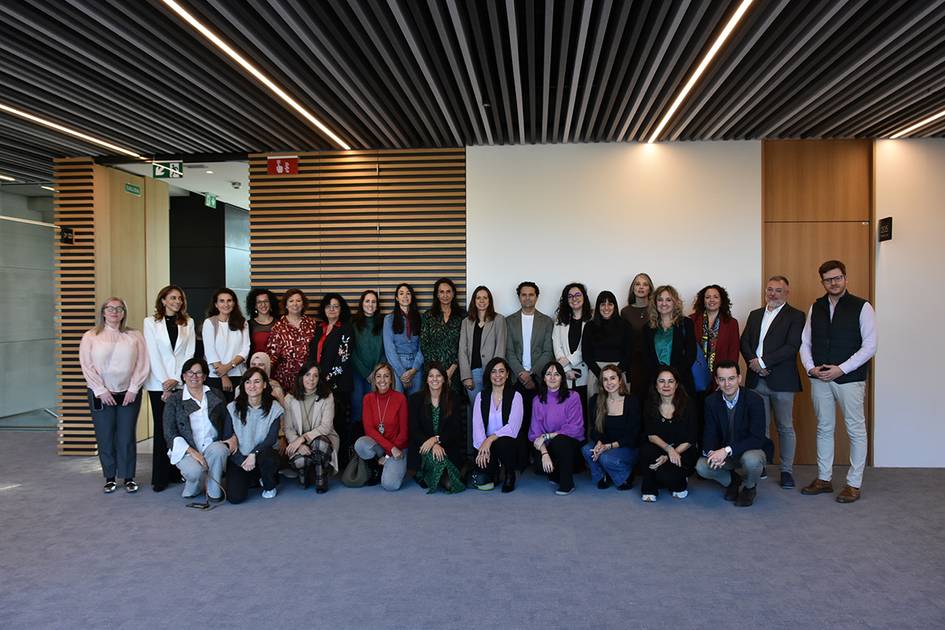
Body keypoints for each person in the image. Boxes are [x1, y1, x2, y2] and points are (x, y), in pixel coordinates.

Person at [800, 260, 877, 503]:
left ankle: (854, 484)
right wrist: (810, 368)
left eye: (838, 278)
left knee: (855, 430)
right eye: (828, 279)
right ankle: (824, 478)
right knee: (824, 428)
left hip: (850, 380)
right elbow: (806, 343)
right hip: (820, 378)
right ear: (822, 281)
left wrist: (841, 369)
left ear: (845, 278)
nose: (833, 283)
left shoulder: (862, 307)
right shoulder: (817, 307)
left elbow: (870, 347)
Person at [740, 275, 805, 489]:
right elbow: (745, 342)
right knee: (761, 426)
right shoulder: (755, 314)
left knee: (785, 427)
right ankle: (763, 464)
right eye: (770, 289)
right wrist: (754, 363)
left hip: (782, 380)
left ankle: (786, 471)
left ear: (786, 293)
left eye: (778, 290)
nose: (773, 294)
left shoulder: (796, 316)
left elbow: (791, 346)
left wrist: (764, 362)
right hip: (755, 378)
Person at [79, 297, 150, 494]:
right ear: (103, 312)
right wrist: (100, 390)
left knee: (126, 436)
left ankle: (128, 477)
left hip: (128, 394)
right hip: (101, 395)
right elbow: (87, 366)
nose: (114, 312)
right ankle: (110, 477)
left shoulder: (134, 335)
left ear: (124, 313)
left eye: (119, 308)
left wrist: (133, 388)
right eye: (110, 308)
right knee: (105, 436)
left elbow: (142, 363)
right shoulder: (91, 336)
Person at [696, 361, 773, 507]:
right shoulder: (711, 401)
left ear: (739, 378)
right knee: (702, 466)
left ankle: (750, 488)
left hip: (750, 450)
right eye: (722, 379)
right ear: (717, 381)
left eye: (731, 378)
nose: (727, 384)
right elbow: (709, 433)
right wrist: (712, 452)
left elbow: (757, 438)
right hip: (725, 454)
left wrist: (726, 450)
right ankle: (733, 481)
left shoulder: (754, 400)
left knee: (752, 461)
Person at [142, 285, 196, 492]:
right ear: (163, 300)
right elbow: (152, 353)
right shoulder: (150, 322)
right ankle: (160, 476)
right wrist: (165, 381)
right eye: (172, 298)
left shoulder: (188, 322)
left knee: (180, 428)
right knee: (162, 429)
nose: (177, 301)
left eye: (180, 298)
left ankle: (178, 471)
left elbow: (189, 353)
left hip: (181, 382)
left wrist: (176, 380)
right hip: (158, 384)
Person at [162, 358, 229, 502]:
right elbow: (169, 432)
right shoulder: (175, 399)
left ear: (205, 377)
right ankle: (195, 485)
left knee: (220, 450)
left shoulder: (215, 394)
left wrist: (230, 439)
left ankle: (214, 490)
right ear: (184, 376)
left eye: (199, 373)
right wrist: (194, 453)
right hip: (187, 449)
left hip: (211, 445)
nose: (194, 376)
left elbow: (226, 420)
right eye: (190, 373)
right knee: (195, 471)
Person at [505, 282, 554, 469]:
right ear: (519, 297)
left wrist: (532, 374)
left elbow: (547, 352)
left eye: (531, 294)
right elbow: (509, 351)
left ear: (536, 296)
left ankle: (539, 460)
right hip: (516, 379)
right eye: (524, 294)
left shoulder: (547, 321)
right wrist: (521, 374)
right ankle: (520, 460)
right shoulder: (509, 321)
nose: (527, 298)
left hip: (538, 379)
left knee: (538, 421)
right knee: (518, 420)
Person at [222, 367, 283, 503]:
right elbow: (228, 437)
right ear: (243, 385)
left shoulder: (274, 407)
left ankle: (269, 485)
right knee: (235, 498)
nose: (252, 386)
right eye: (248, 382)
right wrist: (241, 461)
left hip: (262, 454)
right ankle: (254, 478)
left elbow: (271, 439)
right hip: (240, 457)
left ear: (265, 384)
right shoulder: (232, 407)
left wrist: (253, 453)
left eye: (257, 382)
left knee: (268, 458)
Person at [638, 367, 698, 502]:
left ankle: (678, 480)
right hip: (660, 447)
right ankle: (649, 488)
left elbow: (691, 437)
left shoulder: (688, 404)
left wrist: (672, 453)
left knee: (671, 480)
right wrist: (668, 450)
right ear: (656, 385)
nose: (666, 385)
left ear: (676, 385)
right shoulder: (649, 404)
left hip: (683, 450)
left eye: (670, 381)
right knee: (645, 450)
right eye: (662, 381)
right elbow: (651, 434)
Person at [582, 365, 641, 491]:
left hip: (627, 447)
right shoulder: (595, 401)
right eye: (605, 379)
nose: (609, 383)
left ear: (620, 381)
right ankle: (603, 476)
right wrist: (599, 442)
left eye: (612, 378)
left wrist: (608, 446)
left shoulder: (632, 401)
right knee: (587, 450)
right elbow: (594, 430)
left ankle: (626, 476)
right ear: (601, 383)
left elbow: (633, 435)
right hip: (605, 444)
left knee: (606, 458)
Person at [283, 361, 339, 493]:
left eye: (315, 376)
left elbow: (326, 427)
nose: (311, 379)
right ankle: (306, 472)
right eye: (308, 375)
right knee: (300, 462)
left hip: (323, 439)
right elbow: (289, 429)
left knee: (319, 444)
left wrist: (303, 438)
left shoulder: (327, 396)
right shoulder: (289, 398)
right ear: (301, 377)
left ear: (319, 379)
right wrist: (299, 444)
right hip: (298, 441)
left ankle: (321, 477)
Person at [529, 361, 584, 495]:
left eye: (557, 374)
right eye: (548, 374)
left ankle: (567, 484)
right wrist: (544, 453)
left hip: (570, 445)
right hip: (548, 446)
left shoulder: (573, 397)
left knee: (560, 441)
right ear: (544, 378)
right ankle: (554, 472)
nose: (552, 377)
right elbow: (535, 432)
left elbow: (575, 427)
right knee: (539, 465)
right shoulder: (537, 400)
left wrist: (549, 436)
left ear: (562, 378)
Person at [409, 363, 465, 494]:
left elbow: (457, 430)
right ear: (426, 379)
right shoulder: (416, 399)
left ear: (444, 378)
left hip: (447, 447)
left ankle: (437, 476)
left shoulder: (454, 398)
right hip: (423, 447)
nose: (435, 379)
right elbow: (414, 429)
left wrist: (436, 440)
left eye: (439, 376)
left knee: (451, 483)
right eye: (431, 376)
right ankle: (427, 474)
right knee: (448, 481)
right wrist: (431, 444)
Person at [472, 357, 523, 492]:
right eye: (493, 372)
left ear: (507, 375)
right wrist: (482, 447)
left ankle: (509, 473)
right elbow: (477, 426)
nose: (497, 375)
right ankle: (494, 472)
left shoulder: (515, 396)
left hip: (508, 443)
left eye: (501, 371)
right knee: (484, 478)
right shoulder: (481, 396)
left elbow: (513, 427)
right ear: (489, 375)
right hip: (486, 445)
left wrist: (490, 439)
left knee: (503, 443)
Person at [355, 362, 409, 491]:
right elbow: (369, 429)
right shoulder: (368, 398)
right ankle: (376, 467)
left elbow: (404, 433)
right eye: (378, 376)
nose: (382, 380)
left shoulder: (400, 398)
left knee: (390, 485)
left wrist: (389, 455)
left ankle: (386, 465)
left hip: (398, 448)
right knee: (361, 444)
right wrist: (388, 450)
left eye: (386, 376)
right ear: (374, 379)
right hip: (381, 447)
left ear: (391, 379)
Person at [308, 293, 354, 433]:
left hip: (338, 385)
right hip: (318, 383)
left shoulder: (346, 329)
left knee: (337, 424)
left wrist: (325, 379)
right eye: (328, 306)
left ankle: (341, 454)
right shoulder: (319, 328)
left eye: (335, 306)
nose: (332, 309)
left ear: (341, 309)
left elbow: (343, 359)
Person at [642, 285, 697, 400]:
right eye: (660, 300)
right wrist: (660, 378)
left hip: (682, 381)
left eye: (668, 299)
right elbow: (646, 356)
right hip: (656, 382)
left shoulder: (686, 324)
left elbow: (691, 354)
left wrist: (673, 377)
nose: (664, 303)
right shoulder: (647, 327)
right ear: (655, 303)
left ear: (675, 302)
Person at [582, 290, 633, 400]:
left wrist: (615, 374)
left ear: (614, 306)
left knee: (620, 409)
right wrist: (601, 375)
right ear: (598, 306)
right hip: (596, 373)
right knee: (596, 411)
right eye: (602, 304)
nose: (606, 308)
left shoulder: (625, 325)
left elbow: (629, 353)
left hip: (619, 372)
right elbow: (586, 354)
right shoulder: (590, 326)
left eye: (610, 304)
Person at [690, 284, 740, 393]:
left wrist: (728, 378)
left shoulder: (731, 323)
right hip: (696, 376)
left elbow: (733, 351)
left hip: (721, 377)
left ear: (722, 300)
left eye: (716, 297)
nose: (711, 300)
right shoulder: (691, 320)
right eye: (707, 297)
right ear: (702, 300)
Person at [202, 288, 249, 403]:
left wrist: (228, 367)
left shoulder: (242, 322)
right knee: (218, 415)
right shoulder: (209, 323)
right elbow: (210, 352)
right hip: (216, 377)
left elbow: (245, 349)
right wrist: (224, 376)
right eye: (222, 301)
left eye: (229, 300)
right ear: (216, 304)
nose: (226, 304)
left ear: (234, 303)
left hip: (239, 375)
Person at [552, 282, 591, 418]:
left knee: (585, 410)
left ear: (584, 297)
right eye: (570, 296)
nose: (574, 298)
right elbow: (556, 345)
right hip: (565, 373)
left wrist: (567, 360)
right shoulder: (560, 320)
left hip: (586, 371)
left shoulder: (591, 319)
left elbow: (587, 346)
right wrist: (566, 369)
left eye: (577, 295)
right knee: (566, 411)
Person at [267, 288, 317, 392]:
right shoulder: (278, 326)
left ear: (303, 304)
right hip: (284, 376)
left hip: (307, 376)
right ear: (286, 305)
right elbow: (272, 354)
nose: (295, 304)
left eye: (298, 301)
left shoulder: (311, 324)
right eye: (291, 301)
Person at [420, 278, 463, 393]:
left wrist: (451, 370)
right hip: (432, 373)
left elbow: (465, 345)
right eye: (441, 292)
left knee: (452, 407)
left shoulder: (462, 316)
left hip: (455, 371)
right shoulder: (428, 316)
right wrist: (438, 373)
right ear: (437, 295)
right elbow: (424, 345)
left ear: (453, 294)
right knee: (433, 405)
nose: (445, 295)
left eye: (448, 291)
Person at [351, 290, 386, 425]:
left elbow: (385, 349)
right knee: (357, 406)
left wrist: (376, 372)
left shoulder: (383, 323)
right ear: (362, 304)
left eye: (373, 302)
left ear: (377, 305)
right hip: (358, 373)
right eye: (367, 301)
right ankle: (355, 442)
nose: (370, 304)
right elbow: (351, 351)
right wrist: (366, 373)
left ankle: (372, 441)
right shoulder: (353, 323)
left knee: (375, 409)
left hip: (377, 373)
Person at [383, 283, 424, 395]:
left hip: (416, 365)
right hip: (397, 365)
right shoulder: (389, 319)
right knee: (398, 403)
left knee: (415, 403)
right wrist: (402, 374)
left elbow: (423, 345)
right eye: (401, 293)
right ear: (397, 298)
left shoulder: (420, 318)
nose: (405, 296)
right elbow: (389, 349)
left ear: (412, 297)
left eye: (408, 293)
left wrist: (414, 369)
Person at [621, 272, 655, 397]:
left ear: (650, 289)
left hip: (653, 361)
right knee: (634, 398)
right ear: (633, 288)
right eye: (637, 284)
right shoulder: (625, 312)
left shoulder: (657, 309)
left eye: (645, 284)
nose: (641, 287)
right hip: (633, 363)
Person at [246, 288, 280, 357]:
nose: (263, 304)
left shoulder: (280, 323)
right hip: (255, 364)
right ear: (255, 305)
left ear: (271, 303)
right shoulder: (248, 325)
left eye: (266, 301)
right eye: (259, 302)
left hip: (277, 365)